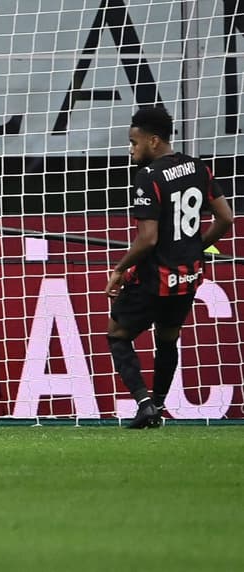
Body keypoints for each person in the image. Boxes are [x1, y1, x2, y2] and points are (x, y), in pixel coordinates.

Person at [105, 106, 233, 429]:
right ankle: (158, 407)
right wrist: (195, 247)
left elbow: (147, 239)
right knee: (167, 338)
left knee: (118, 334)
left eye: (134, 142)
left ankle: (145, 403)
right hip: (189, 275)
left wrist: (119, 269)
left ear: (154, 140)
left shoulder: (148, 177)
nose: (131, 149)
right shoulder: (198, 168)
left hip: (157, 275)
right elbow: (226, 218)